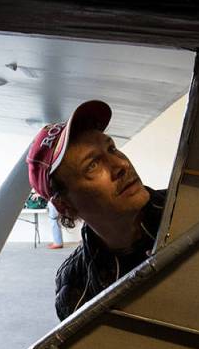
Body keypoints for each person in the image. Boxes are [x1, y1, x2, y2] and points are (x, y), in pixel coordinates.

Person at [27, 100, 167, 321]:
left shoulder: (191, 207)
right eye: (92, 165)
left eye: (112, 148)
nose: (122, 165)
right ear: (65, 206)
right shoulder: (76, 286)